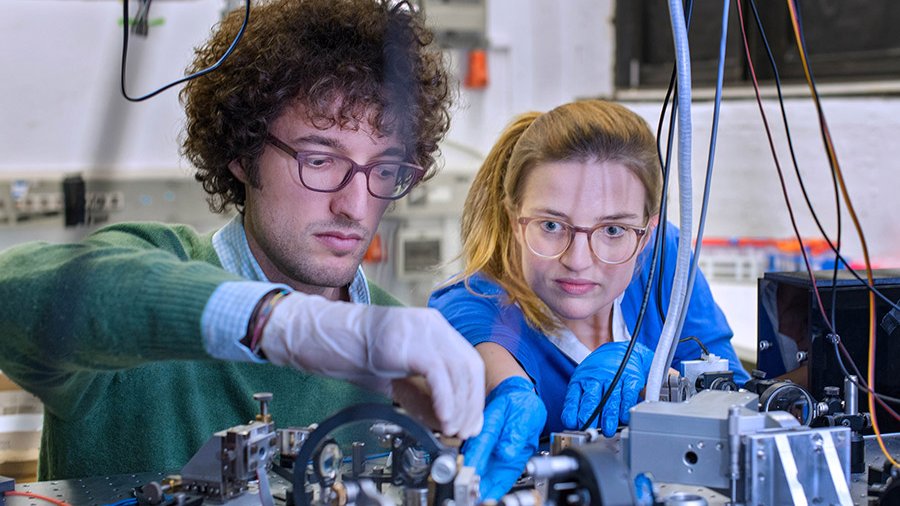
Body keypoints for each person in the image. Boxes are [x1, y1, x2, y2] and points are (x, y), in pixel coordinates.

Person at [0, 0, 484, 480]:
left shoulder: (401, 352)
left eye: (384, 169)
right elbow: (12, 297)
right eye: (319, 160)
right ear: (242, 151)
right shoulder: (142, 285)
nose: (354, 207)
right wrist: (276, 321)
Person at [429, 99, 750, 500]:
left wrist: (661, 380)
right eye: (551, 225)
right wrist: (508, 390)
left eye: (613, 229)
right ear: (515, 221)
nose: (577, 260)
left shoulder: (666, 261)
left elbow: (741, 401)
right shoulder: (477, 300)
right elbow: (484, 346)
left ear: (647, 234)